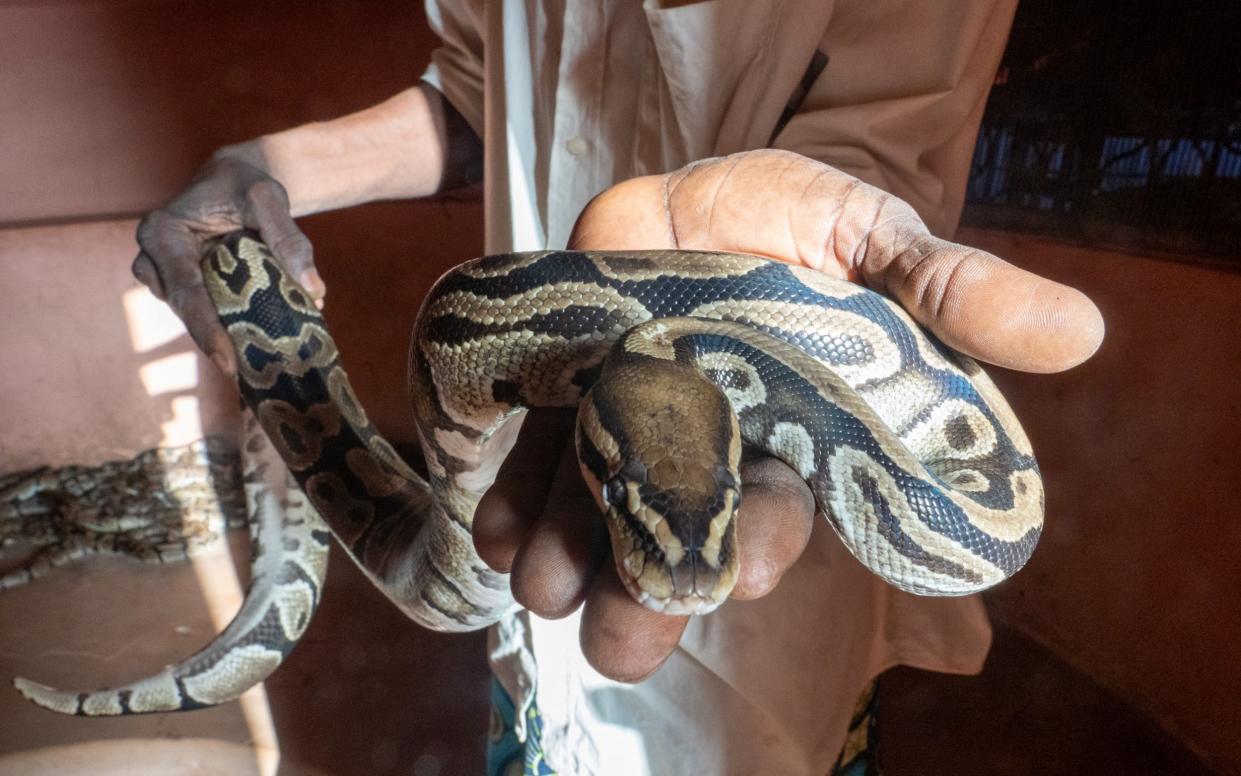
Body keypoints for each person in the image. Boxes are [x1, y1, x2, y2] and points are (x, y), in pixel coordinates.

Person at [132, 2, 1104, 773]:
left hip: (767, 643)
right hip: (551, 471)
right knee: (518, 618)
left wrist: (815, 226)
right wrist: (268, 165)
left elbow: (892, 133)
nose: (676, 565)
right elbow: (477, 88)